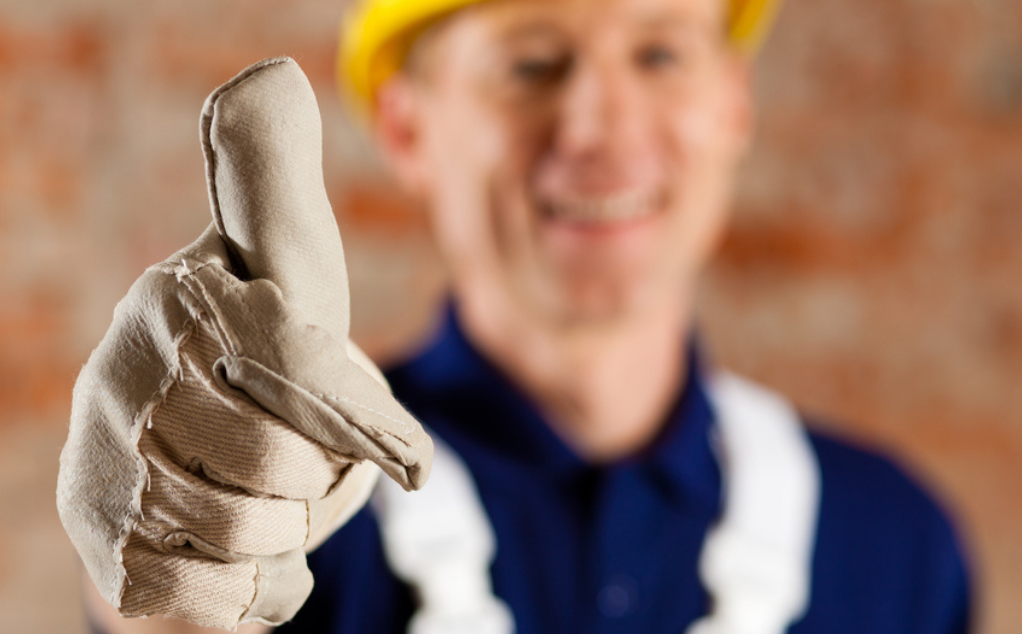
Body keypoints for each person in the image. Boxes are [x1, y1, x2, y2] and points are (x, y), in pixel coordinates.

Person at [81, 0, 972, 632]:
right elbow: (178, 606)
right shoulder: (294, 527)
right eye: (532, 63)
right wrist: (177, 528)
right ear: (407, 128)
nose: (600, 125)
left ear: (733, 102)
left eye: (660, 52)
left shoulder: (897, 551)